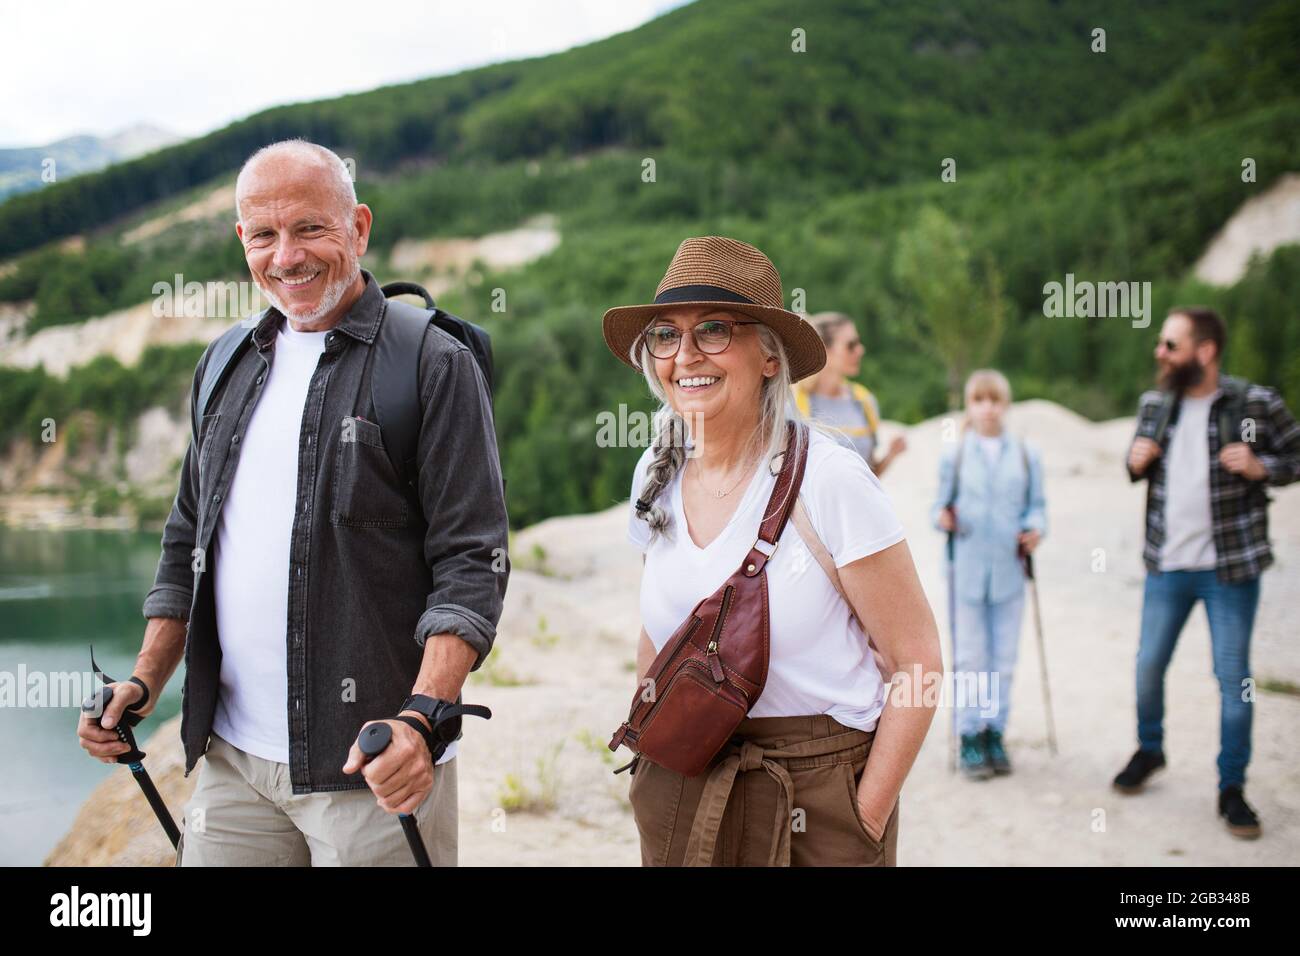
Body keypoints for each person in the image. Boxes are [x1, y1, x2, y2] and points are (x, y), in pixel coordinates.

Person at [76, 140, 510, 865]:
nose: (287, 256)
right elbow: (188, 540)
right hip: (231, 761)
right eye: (264, 234)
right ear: (241, 240)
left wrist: (423, 716)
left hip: (373, 766)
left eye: (311, 228)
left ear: (359, 228)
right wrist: (146, 679)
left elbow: (472, 560)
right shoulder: (222, 363)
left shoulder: (433, 363)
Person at [603, 236, 942, 866]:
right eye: (666, 335)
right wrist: (653, 755)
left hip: (817, 796)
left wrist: (864, 818)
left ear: (768, 354)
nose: (686, 355)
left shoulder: (831, 479)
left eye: (713, 329)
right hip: (684, 781)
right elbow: (658, 635)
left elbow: (917, 661)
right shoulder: (656, 469)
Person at [1114, 307, 1300, 839]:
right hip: (1166, 566)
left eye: (1170, 344)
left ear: (1205, 351)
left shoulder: (1254, 403)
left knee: (1234, 681)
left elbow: (1296, 454)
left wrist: (1264, 466)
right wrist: (1135, 460)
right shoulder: (1155, 404)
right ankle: (1150, 751)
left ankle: (1232, 787)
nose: (1159, 353)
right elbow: (1135, 469)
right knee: (1148, 665)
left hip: (1230, 569)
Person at [930, 370, 1046, 779]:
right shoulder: (955, 455)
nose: (988, 408)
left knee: (1004, 658)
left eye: (994, 400)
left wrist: (1036, 529)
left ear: (1006, 404)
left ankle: (995, 731)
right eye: (979, 400)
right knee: (970, 657)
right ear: (970, 406)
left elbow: (1037, 507)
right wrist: (943, 518)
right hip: (967, 570)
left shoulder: (1027, 455)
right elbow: (937, 508)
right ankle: (969, 735)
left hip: (1010, 571)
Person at [791, 311, 906, 476]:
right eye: (851, 345)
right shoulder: (795, 403)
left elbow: (869, 476)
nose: (860, 350)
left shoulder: (864, 400)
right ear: (824, 349)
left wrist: (891, 454)